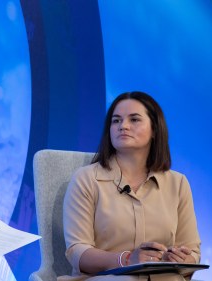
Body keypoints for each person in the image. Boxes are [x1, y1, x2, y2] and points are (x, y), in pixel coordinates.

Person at [62, 92, 201, 281]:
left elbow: (192, 253)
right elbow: (77, 252)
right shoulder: (86, 179)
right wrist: (126, 259)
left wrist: (183, 259)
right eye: (116, 121)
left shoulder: (178, 184)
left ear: (154, 130)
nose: (123, 126)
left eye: (134, 119)